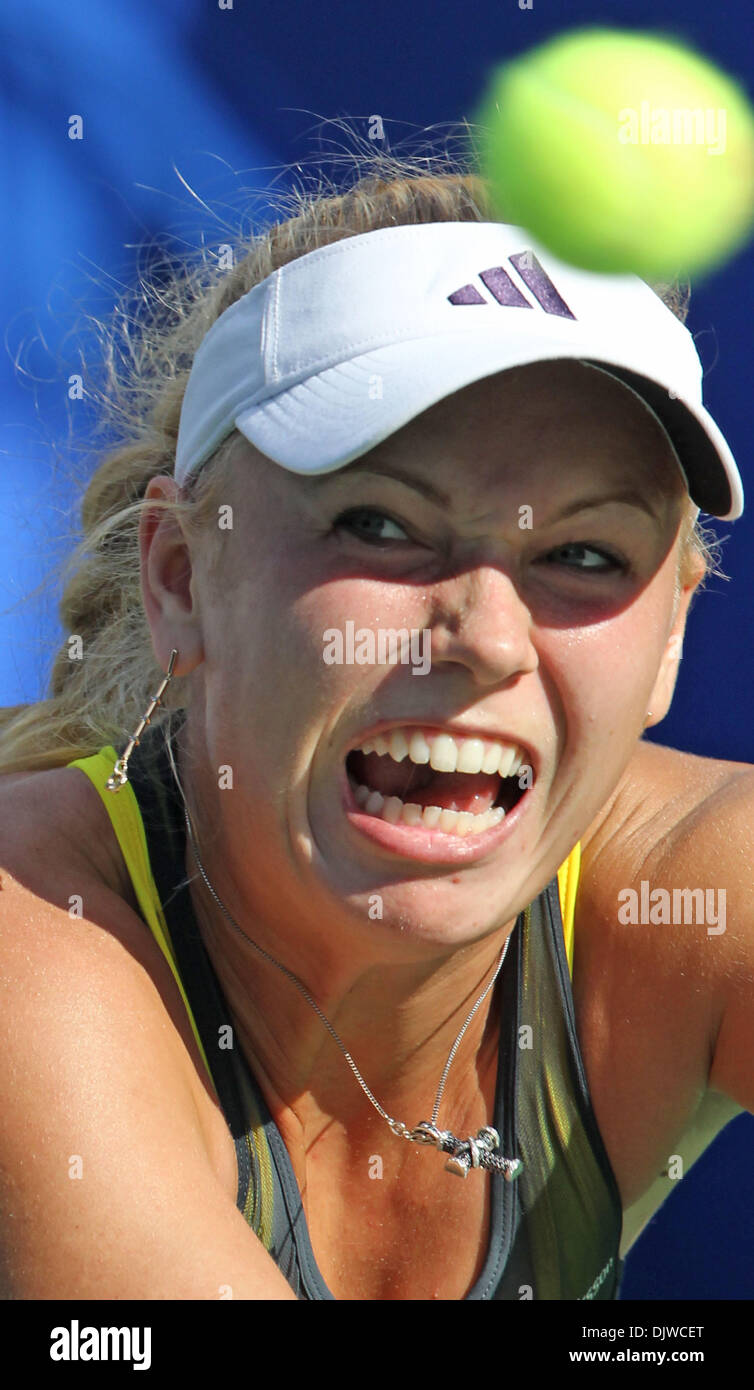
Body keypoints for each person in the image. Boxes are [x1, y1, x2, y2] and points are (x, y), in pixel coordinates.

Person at [0, 156, 751, 1303]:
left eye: (584, 553)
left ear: (670, 643)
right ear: (178, 579)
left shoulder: (704, 883)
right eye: (380, 524)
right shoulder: (29, 949)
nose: (489, 637)